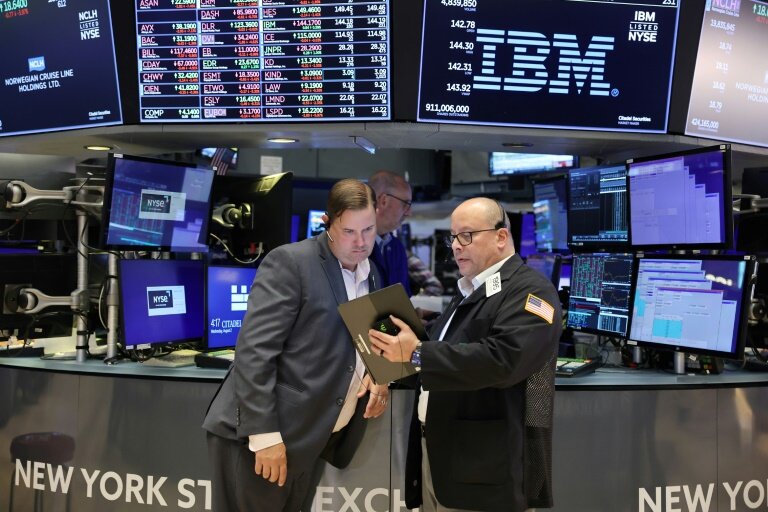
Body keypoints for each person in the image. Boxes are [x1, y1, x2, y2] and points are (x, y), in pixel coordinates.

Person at [203, 178, 390, 512]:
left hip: (311, 436)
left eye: (369, 230)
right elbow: (254, 352)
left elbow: (368, 339)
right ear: (328, 223)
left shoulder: (372, 271)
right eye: (349, 231)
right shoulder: (291, 263)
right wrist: (264, 437)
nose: (361, 242)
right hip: (264, 436)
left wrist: (380, 376)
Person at [369, 197, 562, 512]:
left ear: (501, 237)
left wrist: (416, 354)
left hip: (487, 468)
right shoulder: (472, 289)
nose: (456, 246)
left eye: (467, 236)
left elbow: (503, 361)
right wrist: (388, 364)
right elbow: (445, 355)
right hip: (441, 453)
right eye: (453, 237)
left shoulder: (531, 292)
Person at [368, 170, 413, 295]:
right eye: (406, 204)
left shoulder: (396, 247)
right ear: (383, 200)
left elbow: (403, 298)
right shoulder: (353, 246)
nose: (409, 212)